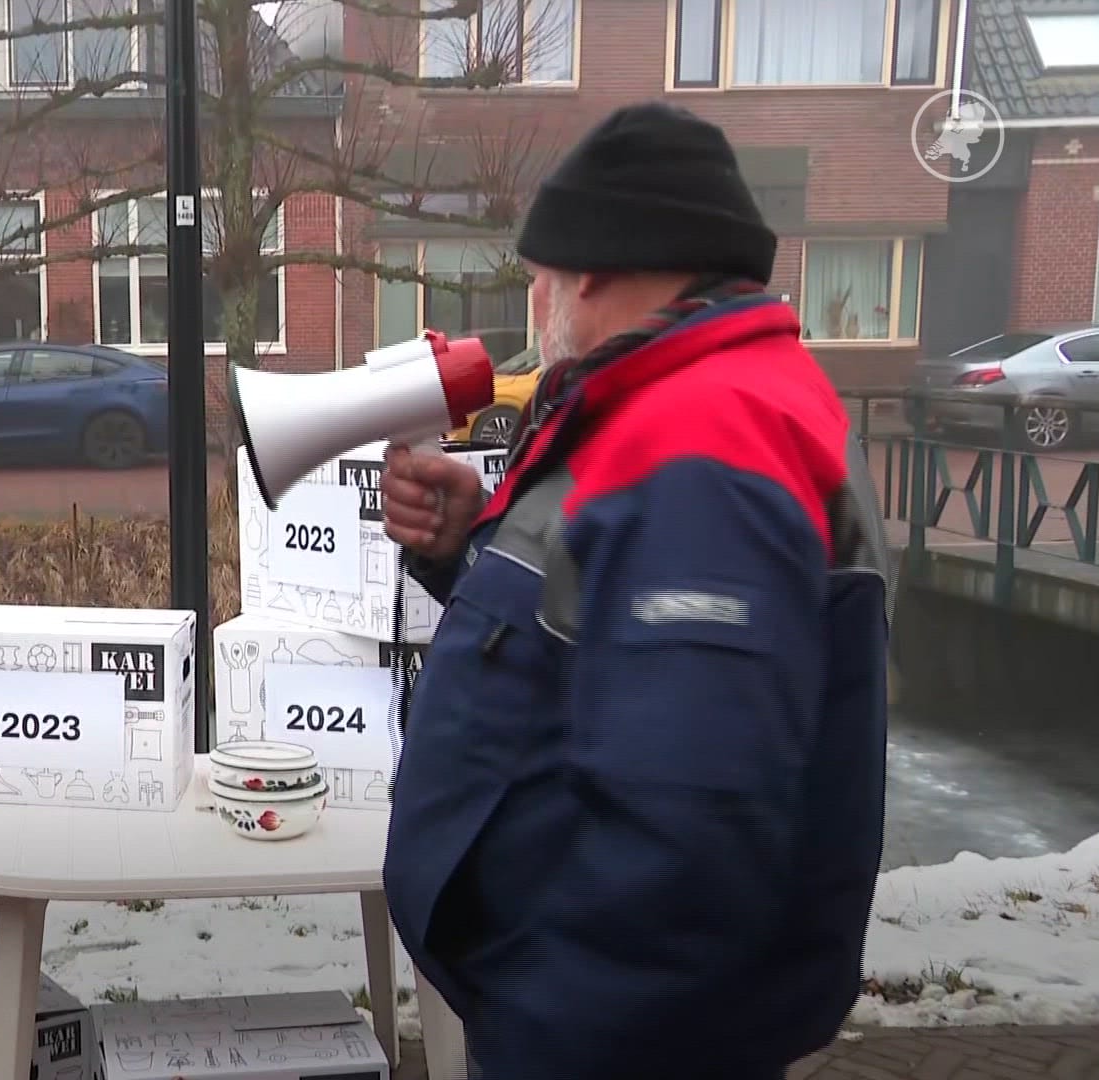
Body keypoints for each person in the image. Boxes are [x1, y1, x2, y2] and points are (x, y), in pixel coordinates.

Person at [379, 102, 892, 1078]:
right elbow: (605, 642)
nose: (537, 303)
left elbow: (689, 838)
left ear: (598, 266)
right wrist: (466, 550)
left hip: (605, 1044)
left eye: (539, 277)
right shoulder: (677, 407)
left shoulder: (709, 439)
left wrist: (548, 1034)